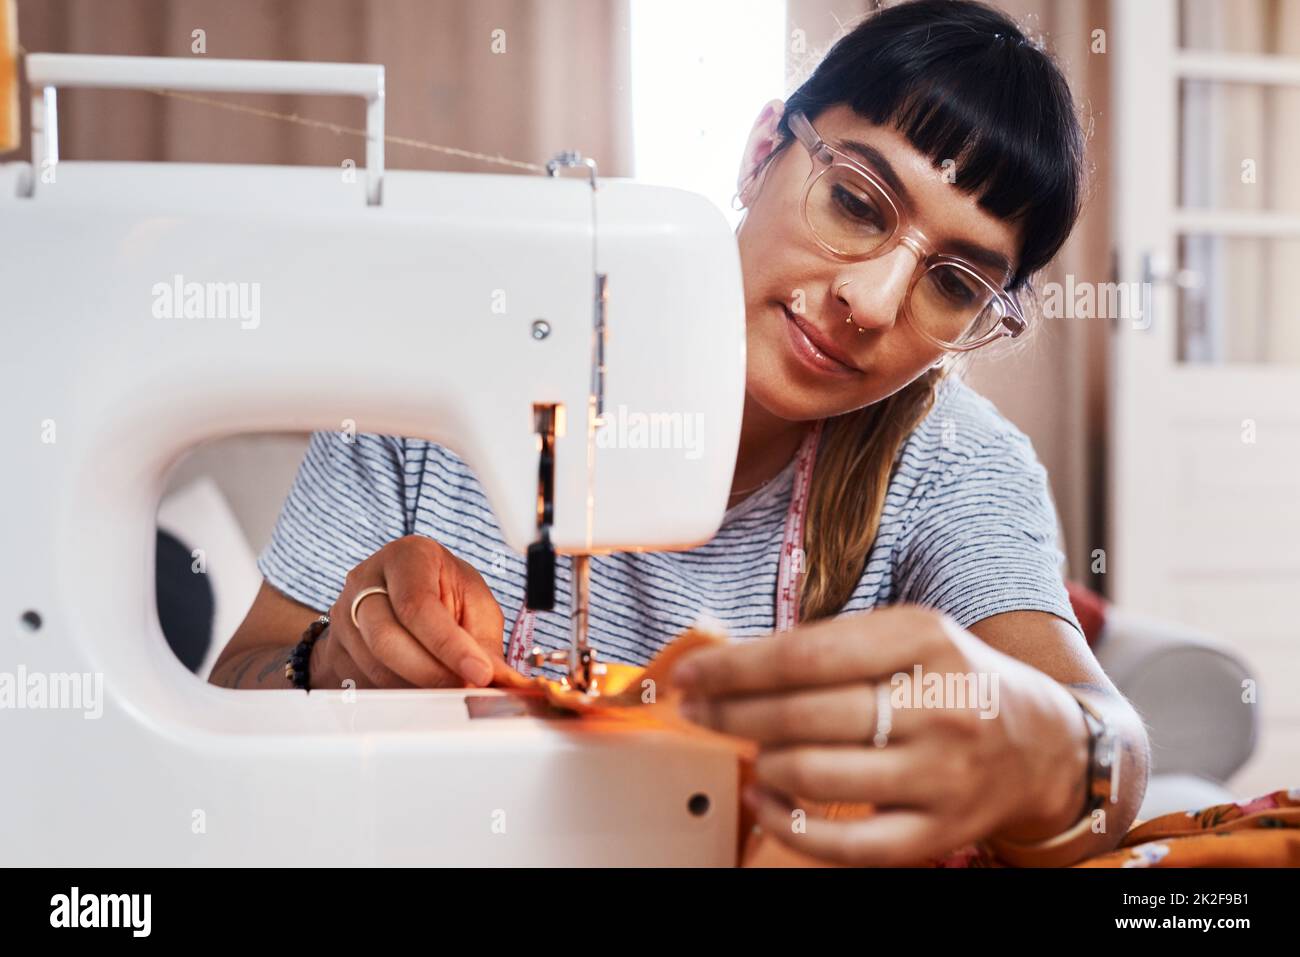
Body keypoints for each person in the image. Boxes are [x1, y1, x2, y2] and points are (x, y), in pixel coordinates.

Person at [211, 0, 1149, 867]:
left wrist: (1060, 751)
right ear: (760, 155)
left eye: (953, 284)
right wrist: (327, 660)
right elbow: (234, 685)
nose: (869, 301)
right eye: (857, 203)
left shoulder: (952, 463)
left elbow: (1112, 753)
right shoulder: (442, 364)